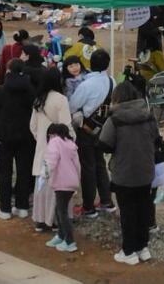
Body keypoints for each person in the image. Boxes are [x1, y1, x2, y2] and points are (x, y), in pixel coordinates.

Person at [98, 82, 159, 266]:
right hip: (145, 171)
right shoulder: (148, 116)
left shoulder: (114, 119)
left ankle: (129, 250)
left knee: (127, 213)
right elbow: (155, 138)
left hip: (124, 172)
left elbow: (105, 145)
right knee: (143, 209)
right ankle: (143, 247)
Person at [68, 49, 116, 219]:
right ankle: (106, 200)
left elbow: (73, 106)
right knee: (100, 163)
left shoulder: (86, 85)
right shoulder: (111, 81)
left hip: (87, 128)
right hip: (103, 128)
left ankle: (89, 206)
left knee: (88, 167)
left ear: (89, 64)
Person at [0, 58, 37, 218]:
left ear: (9, 71)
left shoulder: (1, 91)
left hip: (4, 135)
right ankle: (22, 206)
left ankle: (5, 208)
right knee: (24, 172)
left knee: (5, 173)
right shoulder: (30, 90)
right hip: (25, 136)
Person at [30, 68, 72, 231]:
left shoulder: (38, 100)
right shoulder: (61, 99)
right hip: (59, 148)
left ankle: (40, 219)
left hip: (42, 147)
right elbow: (66, 125)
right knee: (57, 185)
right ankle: (54, 220)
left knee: (41, 184)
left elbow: (32, 126)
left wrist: (41, 139)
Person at [43, 123, 81, 253]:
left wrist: (45, 172)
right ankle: (61, 235)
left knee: (61, 212)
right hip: (71, 182)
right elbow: (77, 166)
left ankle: (70, 241)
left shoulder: (55, 142)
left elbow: (51, 161)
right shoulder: (71, 144)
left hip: (61, 182)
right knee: (60, 209)